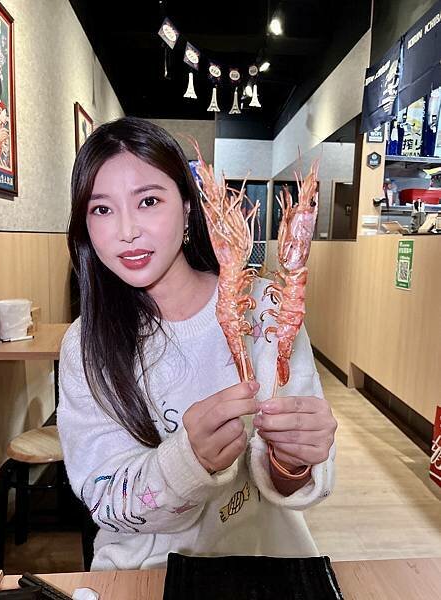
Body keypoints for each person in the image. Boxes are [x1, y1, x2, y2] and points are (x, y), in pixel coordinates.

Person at [58, 117, 337, 571]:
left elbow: (294, 483)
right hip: (143, 571)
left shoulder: (268, 309)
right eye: (102, 209)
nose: (127, 230)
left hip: (263, 557)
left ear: (189, 207)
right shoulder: (84, 345)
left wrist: (293, 462)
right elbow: (105, 500)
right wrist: (190, 462)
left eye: (149, 201)